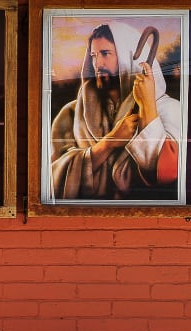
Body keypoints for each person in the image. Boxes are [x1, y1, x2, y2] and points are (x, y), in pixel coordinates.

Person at [47, 22, 182, 201]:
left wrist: (148, 105)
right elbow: (51, 179)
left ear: (128, 57)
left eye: (105, 54)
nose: (98, 64)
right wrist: (110, 142)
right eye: (94, 56)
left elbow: (166, 173)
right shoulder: (71, 114)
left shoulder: (169, 109)